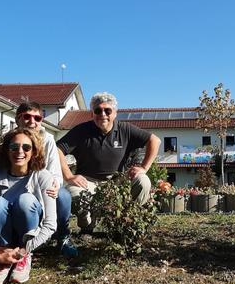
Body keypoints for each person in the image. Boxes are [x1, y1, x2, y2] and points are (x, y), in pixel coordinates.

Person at [0, 102, 78, 257]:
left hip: (38, 189)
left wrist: (52, 185)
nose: (32, 121)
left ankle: (61, 236)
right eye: (27, 116)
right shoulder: (7, 140)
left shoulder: (47, 140)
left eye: (37, 117)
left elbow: (55, 174)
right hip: (10, 189)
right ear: (17, 119)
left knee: (62, 196)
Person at [57, 92, 161, 233]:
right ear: (92, 113)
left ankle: (127, 223)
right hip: (88, 182)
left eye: (107, 110)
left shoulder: (125, 129)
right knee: (72, 193)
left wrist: (144, 167)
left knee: (143, 181)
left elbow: (154, 140)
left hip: (118, 181)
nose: (103, 114)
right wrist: (69, 176)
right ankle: (87, 226)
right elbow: (57, 149)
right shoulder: (81, 130)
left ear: (115, 113)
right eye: (98, 110)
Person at [0, 128, 56, 284]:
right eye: (14, 147)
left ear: (34, 152)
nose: (20, 151)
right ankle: (4, 258)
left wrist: (25, 250)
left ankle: (22, 259)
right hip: (1, 240)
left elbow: (50, 224)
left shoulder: (42, 176)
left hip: (27, 239)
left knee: (26, 201)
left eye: (26, 147)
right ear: (6, 150)